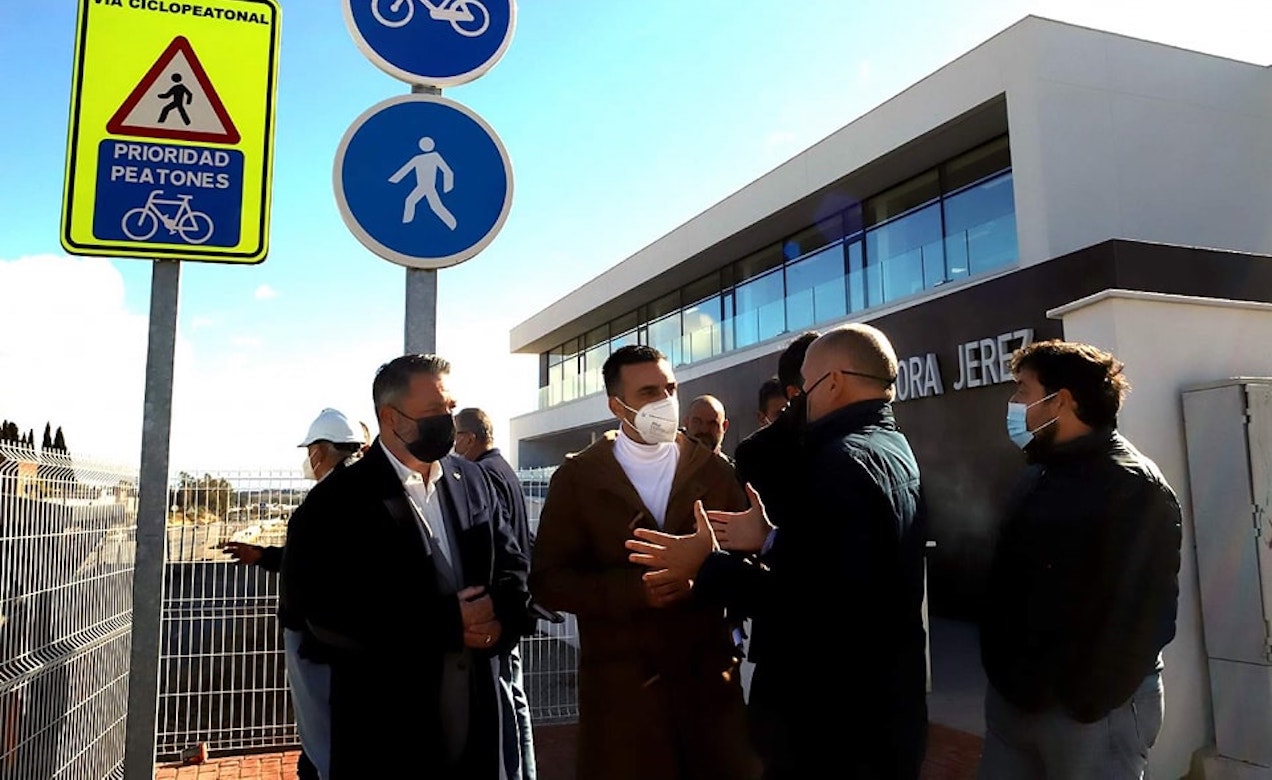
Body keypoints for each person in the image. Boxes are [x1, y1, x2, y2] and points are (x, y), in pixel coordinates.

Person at [626, 324, 929, 779]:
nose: (797, 402)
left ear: (833, 382)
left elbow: (805, 602)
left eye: (804, 388)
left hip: (831, 722)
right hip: (880, 706)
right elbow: (846, 565)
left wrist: (705, 565)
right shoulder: (892, 446)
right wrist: (770, 539)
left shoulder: (838, 463)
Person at [281, 354, 531, 779]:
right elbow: (327, 615)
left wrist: (500, 620)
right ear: (389, 418)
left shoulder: (472, 481)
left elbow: (513, 563)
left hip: (476, 733)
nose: (448, 421)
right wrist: (446, 623)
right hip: (387, 740)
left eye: (451, 408)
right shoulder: (334, 505)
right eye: (435, 412)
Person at [529, 345, 760, 780]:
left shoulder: (714, 471)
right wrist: (635, 591)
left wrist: (707, 576)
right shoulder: (579, 479)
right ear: (617, 405)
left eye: (670, 387)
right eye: (650, 391)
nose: (666, 401)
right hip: (622, 700)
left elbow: (745, 567)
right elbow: (548, 580)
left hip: (709, 691)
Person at [978, 340, 1182, 778]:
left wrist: (1087, 700)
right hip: (1016, 705)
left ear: (1063, 400)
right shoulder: (1038, 473)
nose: (1013, 404)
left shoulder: (1131, 486)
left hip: (1088, 715)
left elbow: (1146, 612)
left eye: (1022, 389)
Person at [222, 407, 365, 780]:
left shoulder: (319, 504)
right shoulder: (368, 492)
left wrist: (306, 633)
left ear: (320, 451)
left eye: (310, 451)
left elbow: (306, 571)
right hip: (354, 639)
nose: (308, 460)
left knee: (322, 736)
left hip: (316, 640)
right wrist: (263, 556)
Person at [454, 407, 537, 780]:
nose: (452, 445)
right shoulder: (504, 469)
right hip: (511, 603)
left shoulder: (483, 475)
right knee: (515, 700)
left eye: (456, 436)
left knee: (504, 702)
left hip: (496, 612)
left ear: (469, 439)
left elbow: (494, 546)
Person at [733, 331, 819, 528]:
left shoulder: (855, 434)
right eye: (828, 376)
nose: (838, 385)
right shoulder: (757, 455)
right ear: (795, 392)